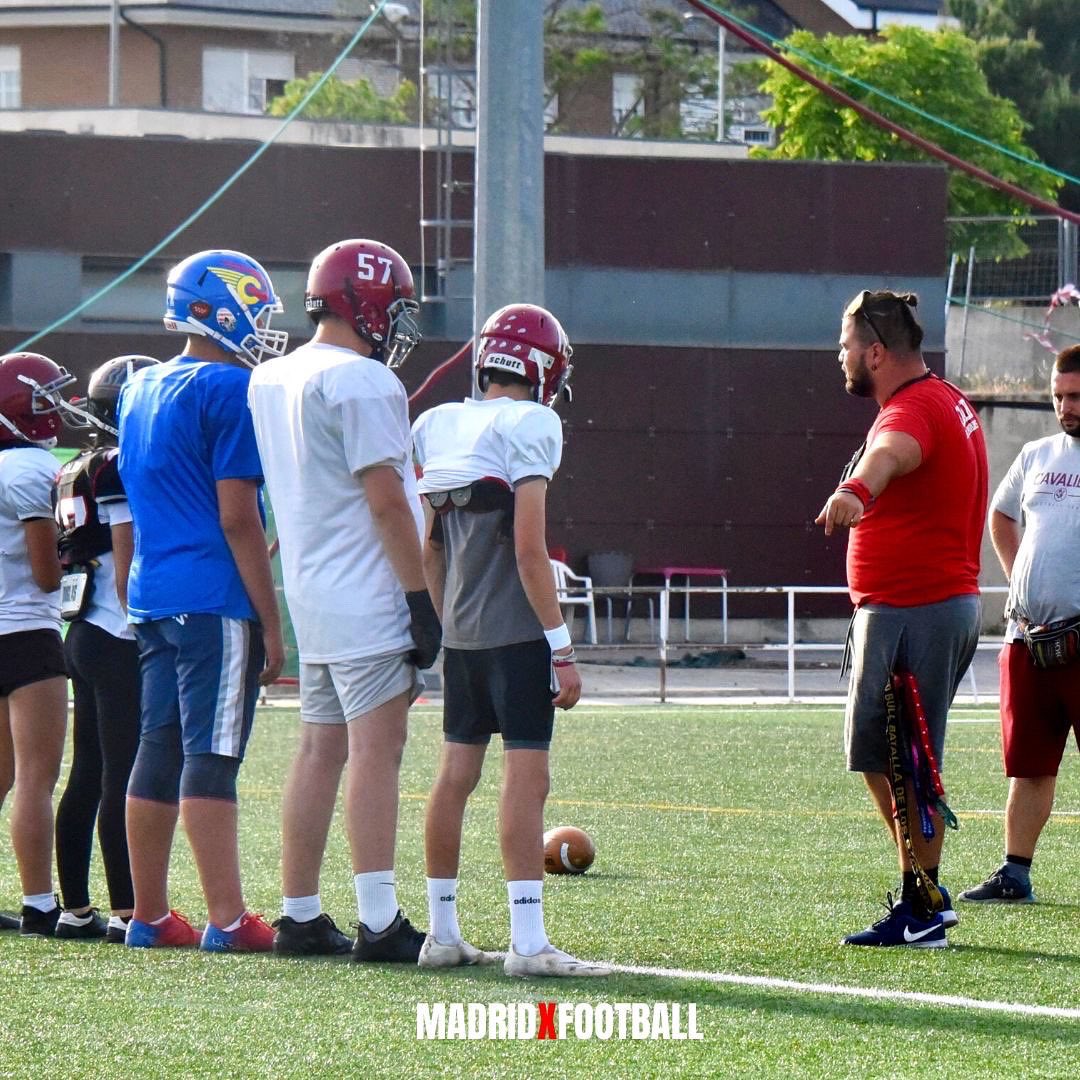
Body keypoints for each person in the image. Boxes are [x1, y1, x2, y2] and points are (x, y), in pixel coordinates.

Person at [247, 238, 439, 962]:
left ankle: (299, 914)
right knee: (376, 753)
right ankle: (380, 920)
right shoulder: (363, 382)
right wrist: (420, 599)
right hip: (368, 592)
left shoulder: (271, 377)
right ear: (368, 305)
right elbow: (388, 501)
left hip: (313, 595)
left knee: (317, 749)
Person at [412, 302, 609, 977]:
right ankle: (528, 944)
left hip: (462, 636)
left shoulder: (436, 423)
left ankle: (442, 933)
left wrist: (445, 625)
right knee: (527, 782)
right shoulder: (533, 422)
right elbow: (529, 550)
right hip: (518, 636)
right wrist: (562, 648)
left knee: (453, 779)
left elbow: (429, 549)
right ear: (543, 367)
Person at [117, 250, 287, 951]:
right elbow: (237, 517)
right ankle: (226, 917)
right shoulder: (228, 390)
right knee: (211, 757)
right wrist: (272, 623)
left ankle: (149, 916)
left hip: (153, 595)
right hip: (213, 599)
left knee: (155, 750)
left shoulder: (138, 387)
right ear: (223, 307)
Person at [816, 289, 987, 948]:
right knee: (887, 756)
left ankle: (924, 903)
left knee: (907, 761)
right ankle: (924, 892)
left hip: (915, 612)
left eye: (846, 346)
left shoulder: (911, 411)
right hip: (919, 608)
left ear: (877, 352)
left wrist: (855, 489)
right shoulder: (942, 397)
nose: (842, 358)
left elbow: (890, 454)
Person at [960, 343, 1080, 906]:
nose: (1066, 407)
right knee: (1029, 766)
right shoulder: (1037, 454)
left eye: (1076, 396)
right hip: (1027, 639)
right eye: (1059, 396)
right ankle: (1015, 873)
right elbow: (1001, 514)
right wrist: (1018, 581)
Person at [51, 356, 159, 943]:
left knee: (88, 772)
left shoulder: (72, 467)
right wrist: (144, 620)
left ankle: (75, 906)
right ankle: (126, 908)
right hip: (117, 632)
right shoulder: (120, 464)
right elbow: (126, 551)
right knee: (121, 771)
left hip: (80, 631)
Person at [0, 353, 69, 936]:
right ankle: (40, 902)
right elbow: (47, 575)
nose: (58, 407)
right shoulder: (29, 470)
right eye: (48, 397)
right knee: (36, 777)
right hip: (26, 631)